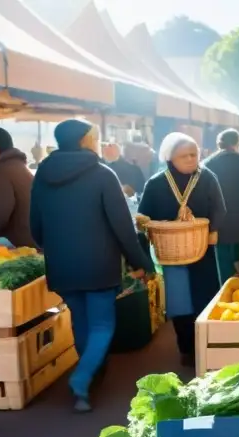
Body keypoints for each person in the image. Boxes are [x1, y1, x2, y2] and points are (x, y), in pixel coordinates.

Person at [30, 119, 152, 412]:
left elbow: (35, 226)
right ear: (85, 140)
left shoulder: (42, 174)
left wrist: (55, 248)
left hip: (61, 264)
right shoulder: (102, 174)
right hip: (99, 263)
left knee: (80, 320)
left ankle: (89, 379)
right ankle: (83, 377)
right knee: (102, 324)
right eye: (95, 137)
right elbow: (123, 226)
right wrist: (140, 262)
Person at [139, 133, 226, 365]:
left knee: (205, 296)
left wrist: (213, 230)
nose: (190, 159)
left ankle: (207, 343)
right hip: (172, 253)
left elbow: (219, 207)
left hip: (202, 250)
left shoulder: (207, 178)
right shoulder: (156, 183)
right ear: (170, 158)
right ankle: (186, 348)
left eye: (194, 154)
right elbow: (143, 215)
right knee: (180, 302)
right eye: (184, 156)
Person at [203, 129, 239, 283]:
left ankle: (227, 295)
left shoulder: (208, 164)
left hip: (218, 224)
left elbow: (203, 197)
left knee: (222, 263)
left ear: (218, 144)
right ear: (237, 143)